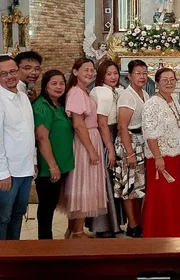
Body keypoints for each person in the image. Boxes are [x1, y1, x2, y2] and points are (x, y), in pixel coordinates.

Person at [0, 56, 35, 240]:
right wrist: (3, 172)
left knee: (17, 214)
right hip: (7, 172)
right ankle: (0, 258)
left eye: (13, 71)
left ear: (18, 71)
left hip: (25, 168)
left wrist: (33, 161)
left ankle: (15, 252)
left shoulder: (22, 97)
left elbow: (29, 131)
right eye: (3, 74)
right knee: (2, 217)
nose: (10, 76)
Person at [62, 58, 107, 239]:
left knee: (84, 182)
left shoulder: (84, 92)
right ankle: (78, 230)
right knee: (83, 183)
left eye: (91, 70)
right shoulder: (75, 93)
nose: (89, 73)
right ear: (75, 72)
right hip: (84, 141)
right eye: (85, 70)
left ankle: (73, 229)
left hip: (90, 138)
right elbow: (78, 125)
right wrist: (91, 150)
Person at [142, 68, 180, 237]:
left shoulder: (173, 99)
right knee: (160, 195)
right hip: (159, 157)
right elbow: (150, 133)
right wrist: (158, 157)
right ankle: (156, 231)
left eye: (172, 79)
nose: (169, 82)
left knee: (173, 194)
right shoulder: (152, 104)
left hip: (174, 153)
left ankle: (175, 229)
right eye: (165, 80)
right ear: (157, 83)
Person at [33, 70, 75, 240]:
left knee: (53, 204)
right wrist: (52, 166)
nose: (59, 87)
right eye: (54, 83)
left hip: (63, 164)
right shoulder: (42, 106)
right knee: (46, 208)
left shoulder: (59, 104)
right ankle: (45, 244)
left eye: (61, 83)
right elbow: (42, 137)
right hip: (49, 168)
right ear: (45, 86)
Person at [88, 60, 124, 237]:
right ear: (101, 75)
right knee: (106, 180)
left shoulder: (112, 91)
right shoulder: (103, 92)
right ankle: (103, 225)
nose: (113, 77)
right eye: (108, 74)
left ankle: (113, 223)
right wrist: (109, 147)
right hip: (106, 136)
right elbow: (102, 123)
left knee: (111, 179)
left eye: (115, 73)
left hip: (113, 134)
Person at [115, 60, 149, 238]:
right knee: (129, 185)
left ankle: (138, 219)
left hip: (141, 141)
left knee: (139, 185)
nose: (142, 76)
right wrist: (129, 153)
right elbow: (122, 126)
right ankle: (132, 223)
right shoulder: (127, 96)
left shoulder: (144, 93)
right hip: (129, 142)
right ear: (129, 76)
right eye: (138, 73)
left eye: (144, 73)